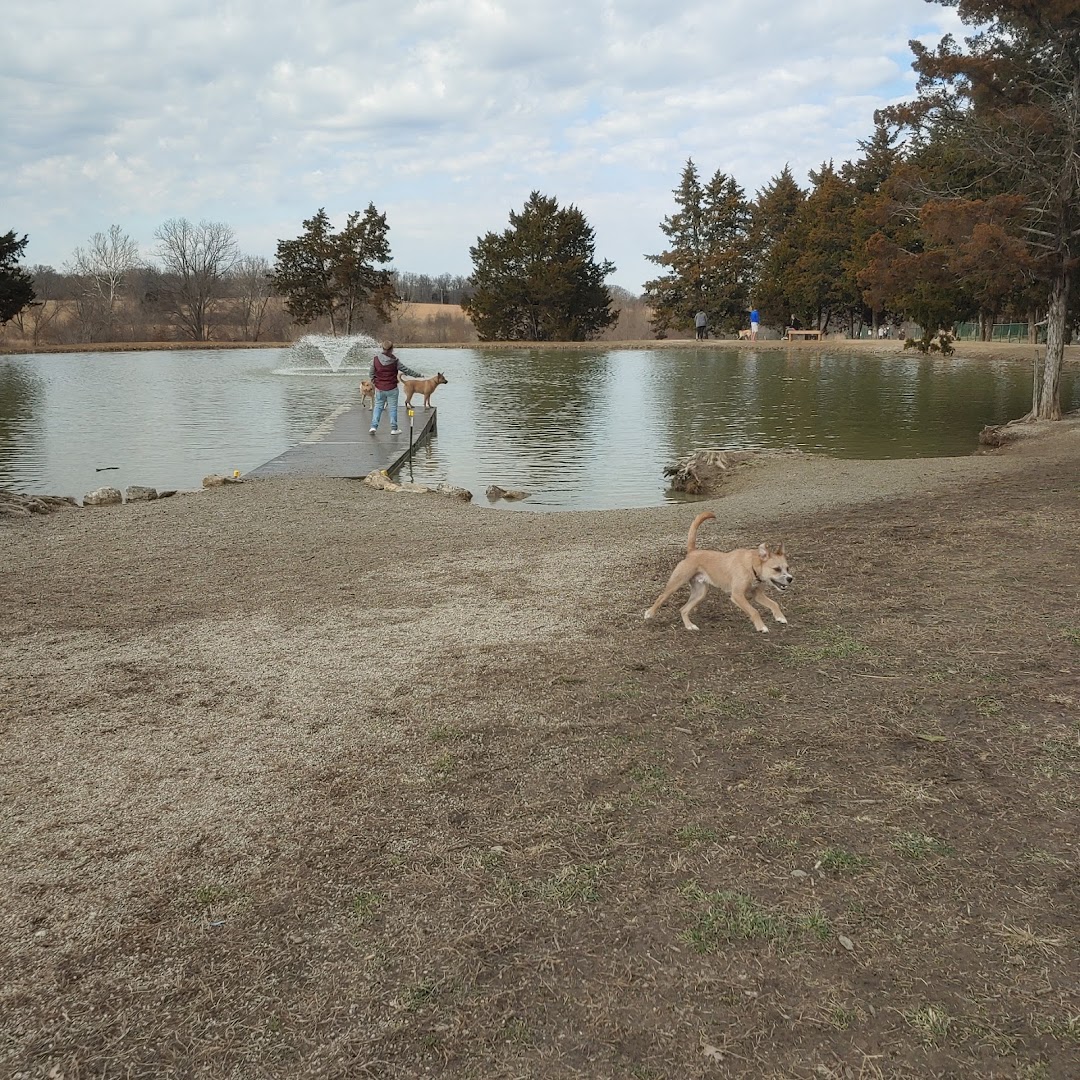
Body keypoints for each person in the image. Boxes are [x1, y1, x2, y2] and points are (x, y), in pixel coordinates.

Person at [368, 341, 421, 435]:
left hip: (379, 388)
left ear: (382, 348)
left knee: (378, 407)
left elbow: (371, 374)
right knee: (393, 408)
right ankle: (394, 429)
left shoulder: (375, 359)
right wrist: (418, 375)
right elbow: (406, 370)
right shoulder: (395, 361)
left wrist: (375, 382)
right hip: (392, 388)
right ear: (392, 349)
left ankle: (373, 427)